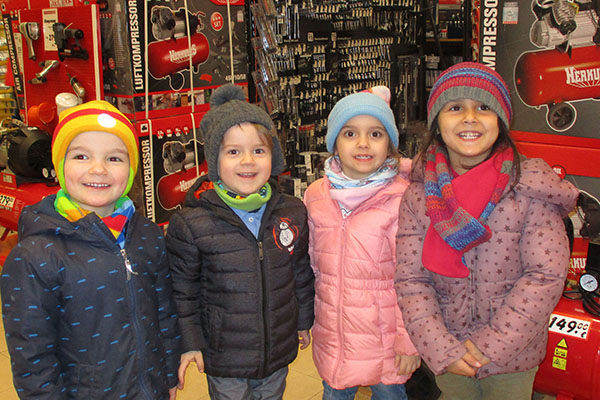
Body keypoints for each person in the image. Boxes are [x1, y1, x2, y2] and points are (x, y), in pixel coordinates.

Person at [395, 62, 579, 400]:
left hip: (513, 357)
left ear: (501, 122)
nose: (469, 117)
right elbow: (411, 279)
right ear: (437, 122)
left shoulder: (529, 188)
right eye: (455, 108)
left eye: (483, 107)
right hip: (448, 354)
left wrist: (487, 345)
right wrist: (441, 348)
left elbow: (544, 276)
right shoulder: (419, 195)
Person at [0, 100, 181, 399]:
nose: (98, 169)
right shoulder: (35, 255)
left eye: (114, 158)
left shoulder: (146, 234)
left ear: (131, 169)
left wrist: (169, 372)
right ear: (59, 166)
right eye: (81, 156)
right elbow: (32, 357)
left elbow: (164, 311)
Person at [165, 84, 315, 400]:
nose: (247, 161)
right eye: (233, 151)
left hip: (277, 349)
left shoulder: (292, 211)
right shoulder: (191, 222)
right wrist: (190, 342)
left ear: (273, 157)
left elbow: (301, 272)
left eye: (258, 150)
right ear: (214, 159)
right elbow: (183, 292)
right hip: (225, 358)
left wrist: (303, 320)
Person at [304, 86, 421, 400]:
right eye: (350, 133)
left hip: (386, 346)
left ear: (390, 144)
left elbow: (415, 280)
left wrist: (410, 341)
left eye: (376, 134)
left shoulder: (404, 201)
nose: (363, 143)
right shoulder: (316, 196)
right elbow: (312, 269)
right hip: (335, 340)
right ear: (334, 143)